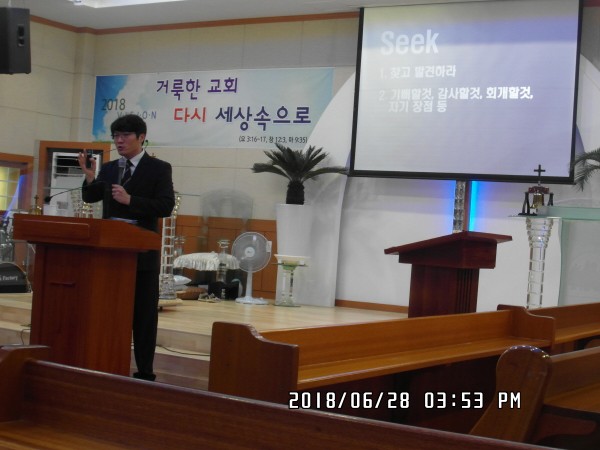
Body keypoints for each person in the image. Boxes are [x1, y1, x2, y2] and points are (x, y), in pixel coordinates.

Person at [78, 114, 175, 381]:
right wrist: (89, 177)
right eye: (116, 136)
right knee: (110, 312)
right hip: (111, 255)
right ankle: (107, 362)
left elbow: (165, 205)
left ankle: (145, 372)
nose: (119, 141)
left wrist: (131, 200)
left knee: (143, 316)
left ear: (141, 137)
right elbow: (91, 197)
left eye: (125, 136)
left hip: (142, 255)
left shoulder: (158, 168)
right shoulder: (110, 169)